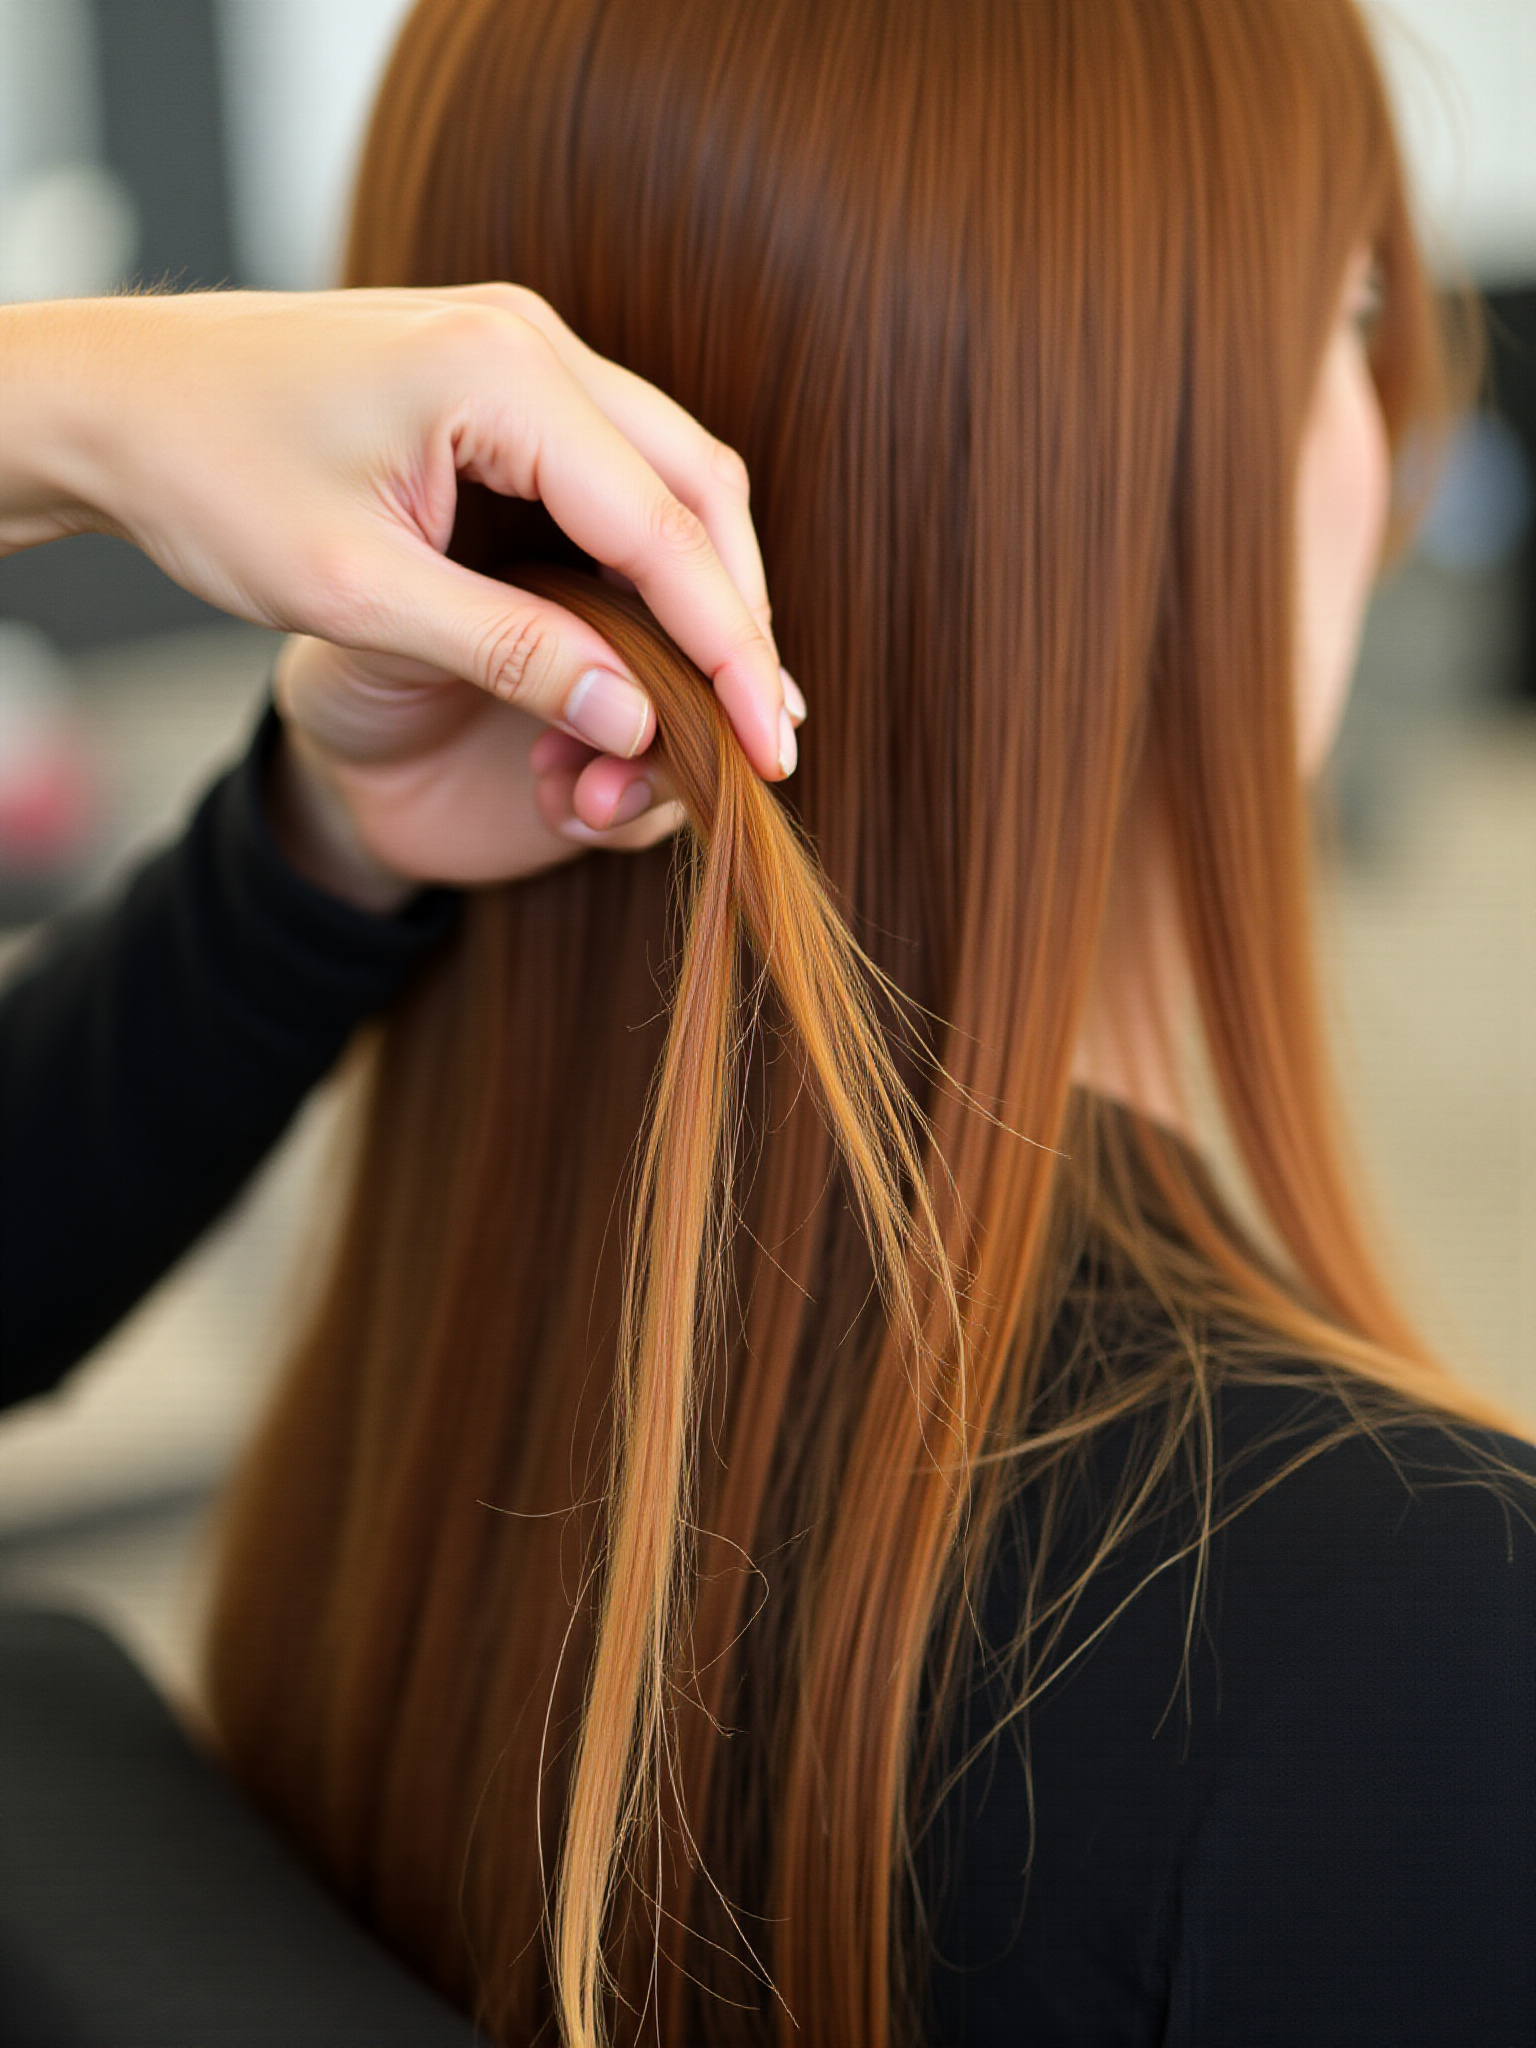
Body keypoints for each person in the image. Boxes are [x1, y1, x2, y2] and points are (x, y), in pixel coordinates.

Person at [7, 7, 1536, 2048]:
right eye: (1343, 313)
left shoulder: (469, 1425)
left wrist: (295, 825)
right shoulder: (1416, 1652)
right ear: (1125, 482)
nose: (1396, 439)